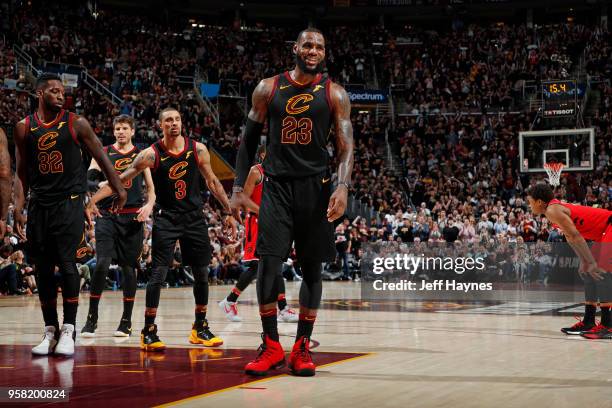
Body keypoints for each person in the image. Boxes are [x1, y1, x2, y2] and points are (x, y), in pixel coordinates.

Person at [231, 28, 354, 377]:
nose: (313, 50)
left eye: (319, 46)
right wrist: (239, 187)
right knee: (268, 265)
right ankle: (271, 345)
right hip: (277, 187)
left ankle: (302, 347)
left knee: (312, 268)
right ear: (295, 48)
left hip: (316, 188)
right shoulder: (268, 88)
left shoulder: (336, 94)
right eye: (308, 45)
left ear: (324, 52)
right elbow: (248, 141)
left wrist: (342, 187)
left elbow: (346, 147)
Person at [89, 107, 234, 351]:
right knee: (158, 274)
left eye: (177, 119)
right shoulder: (150, 154)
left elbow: (212, 181)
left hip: (194, 218)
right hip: (166, 219)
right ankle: (149, 330)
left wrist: (228, 211)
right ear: (161, 126)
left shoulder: (197, 149)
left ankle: (200, 327)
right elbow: (122, 179)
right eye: (168, 120)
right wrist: (92, 201)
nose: (174, 123)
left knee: (201, 273)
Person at [13, 73, 126, 357]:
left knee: (67, 266)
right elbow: (21, 170)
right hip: (39, 205)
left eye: (62, 91)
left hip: (70, 203)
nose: (60, 94)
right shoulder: (24, 127)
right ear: (40, 94)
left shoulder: (76, 123)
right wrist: (17, 205)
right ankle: (50, 329)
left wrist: (118, 187)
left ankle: (70, 329)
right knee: (41, 269)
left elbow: (101, 155)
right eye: (53, 90)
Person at [81, 115, 155, 338]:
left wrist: (150, 205)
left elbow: (150, 188)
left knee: (128, 268)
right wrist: (99, 183)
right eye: (117, 128)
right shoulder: (103, 152)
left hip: (132, 216)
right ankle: (91, 319)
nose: (120, 132)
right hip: (107, 215)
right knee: (102, 263)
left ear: (132, 131)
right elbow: (88, 180)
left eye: (124, 128)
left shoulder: (141, 156)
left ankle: (126, 321)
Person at [218, 145, 298, 323]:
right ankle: (281, 308)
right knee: (257, 267)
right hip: (256, 223)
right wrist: (264, 212)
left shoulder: (280, 174)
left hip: (275, 224)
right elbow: (243, 199)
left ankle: (231, 301)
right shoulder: (256, 171)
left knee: (274, 264)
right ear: (262, 154)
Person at [526, 183, 611, 339]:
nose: (529, 205)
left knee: (602, 273)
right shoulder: (552, 210)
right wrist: (584, 261)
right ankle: (589, 321)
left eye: (530, 202)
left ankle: (608, 325)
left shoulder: (552, 210)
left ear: (539, 202)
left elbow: (576, 235)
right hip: (603, 231)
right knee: (588, 273)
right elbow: (569, 237)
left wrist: (591, 262)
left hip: (609, 226)